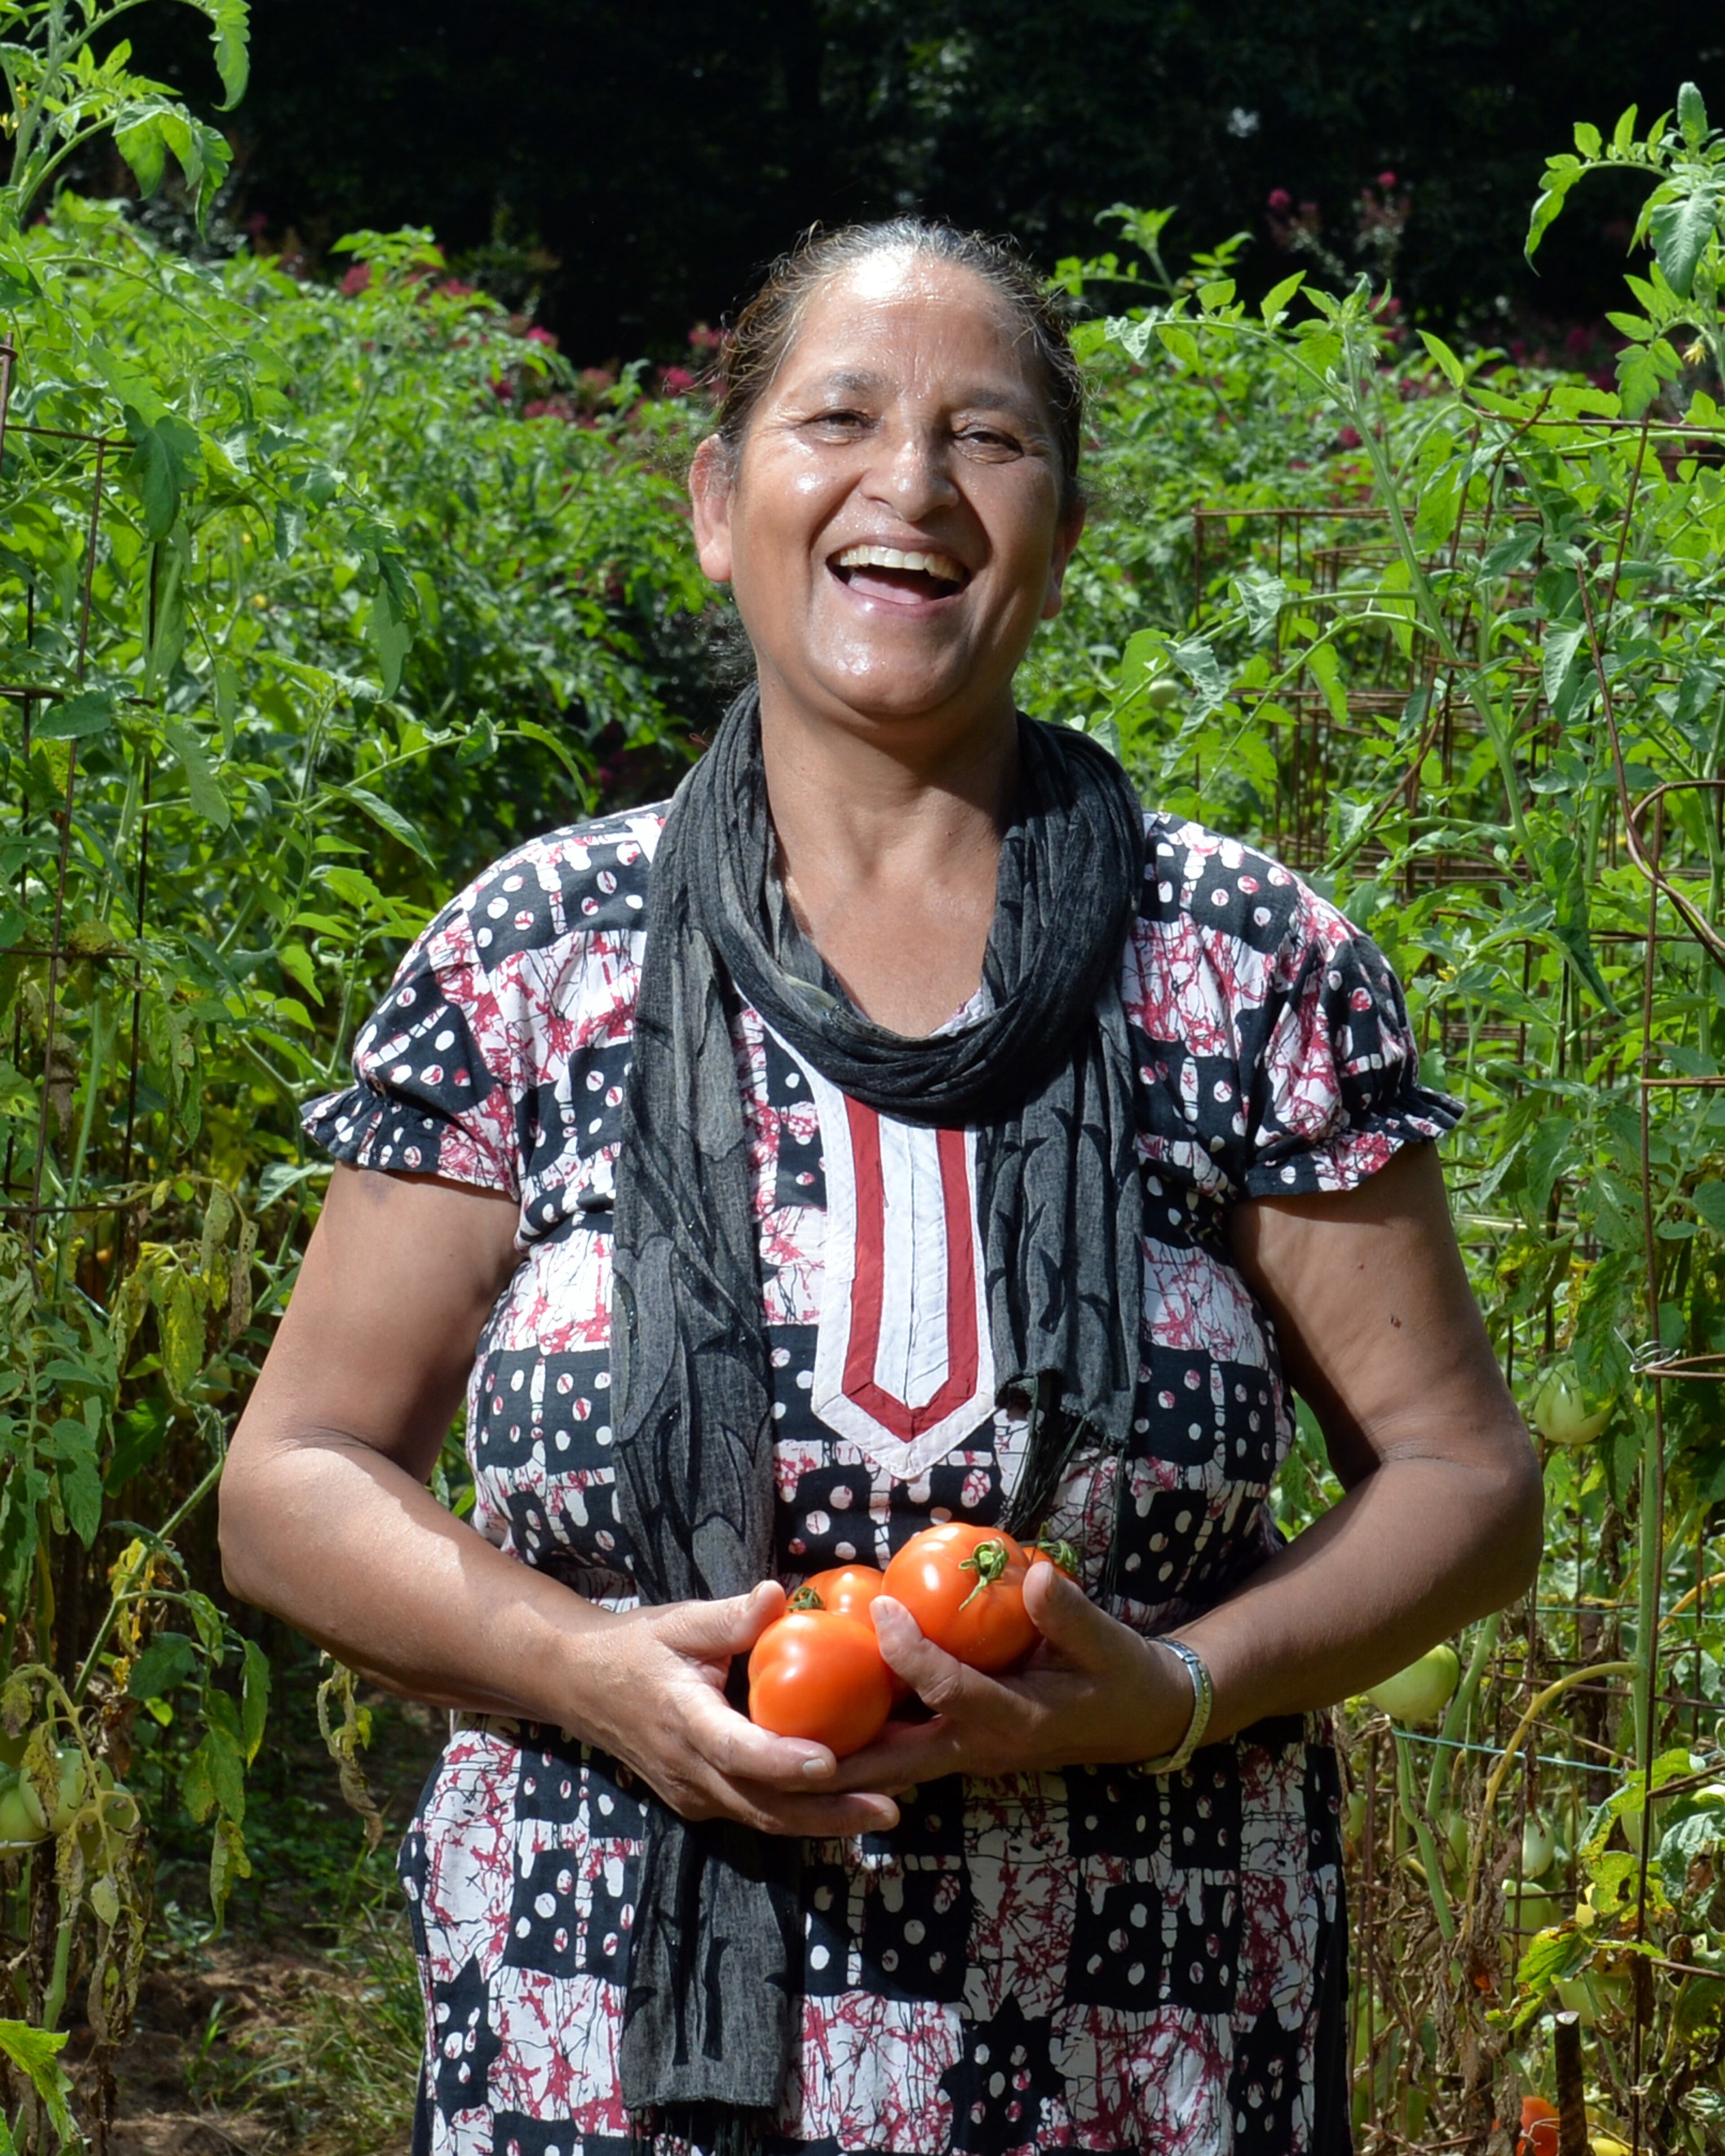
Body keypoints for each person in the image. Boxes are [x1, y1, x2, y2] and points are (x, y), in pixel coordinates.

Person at [219, 219, 1542, 2156]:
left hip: (1143, 2054)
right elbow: (293, 1477)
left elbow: (1466, 1479)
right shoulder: (536, 957)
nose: (908, 489)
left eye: (986, 439)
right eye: (838, 420)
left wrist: (1168, 1690)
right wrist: (588, 1674)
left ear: (1065, 529)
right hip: (607, 2051)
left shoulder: (1244, 965)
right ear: (716, 501)